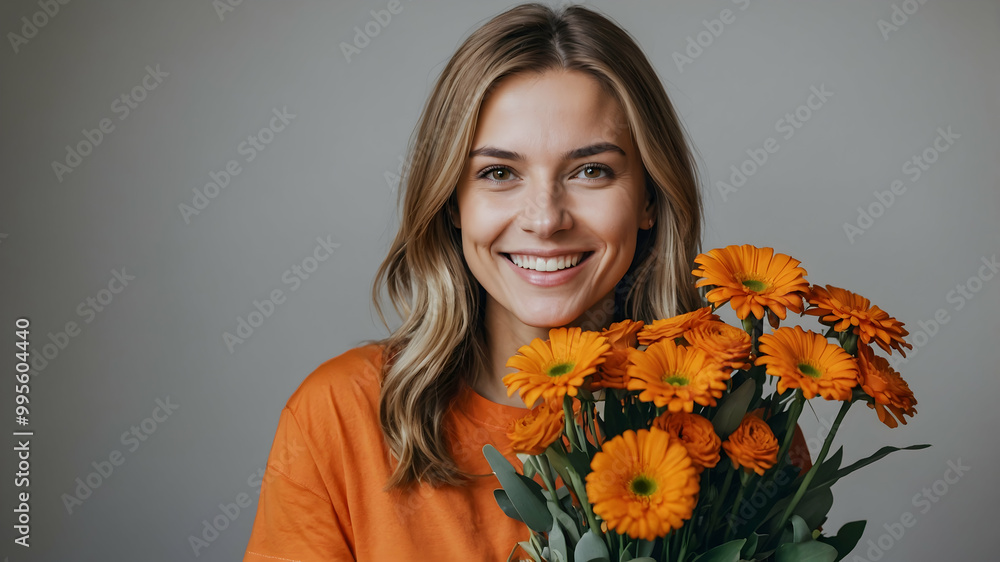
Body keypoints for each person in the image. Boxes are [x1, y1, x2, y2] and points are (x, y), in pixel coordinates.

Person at [242, 3, 767, 560]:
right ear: (451, 203)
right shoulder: (337, 416)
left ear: (649, 199)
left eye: (591, 170)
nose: (545, 219)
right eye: (498, 173)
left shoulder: (739, 430)